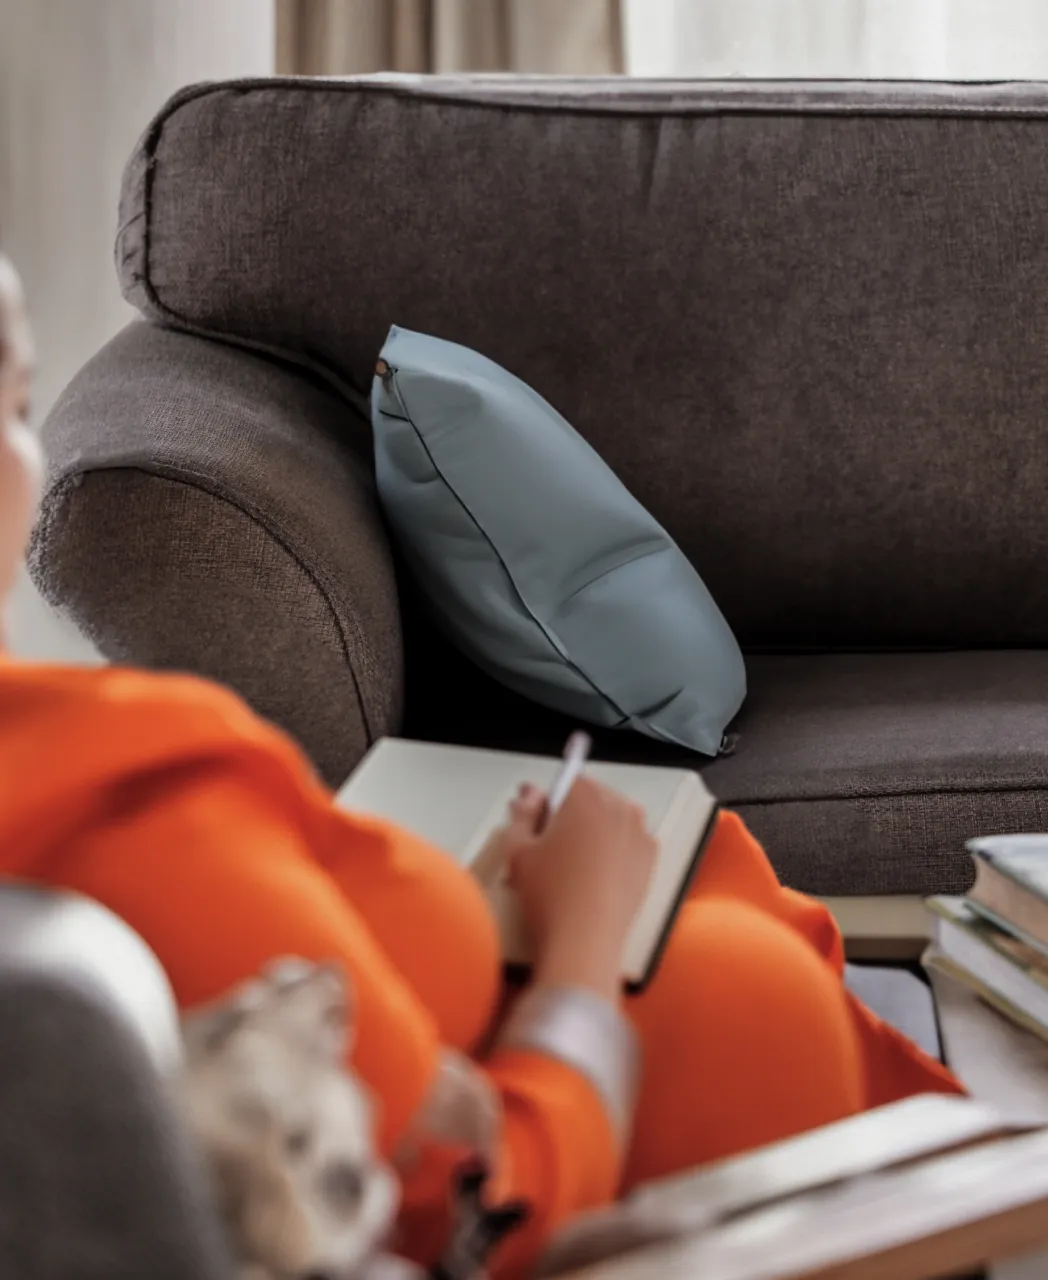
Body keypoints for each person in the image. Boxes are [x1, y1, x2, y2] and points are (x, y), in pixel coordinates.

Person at [0, 254, 962, 1277]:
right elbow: (495, 1211)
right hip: (735, 1199)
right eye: (15, 400)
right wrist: (582, 948)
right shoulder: (122, 803)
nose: (32, 455)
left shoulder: (86, 778)